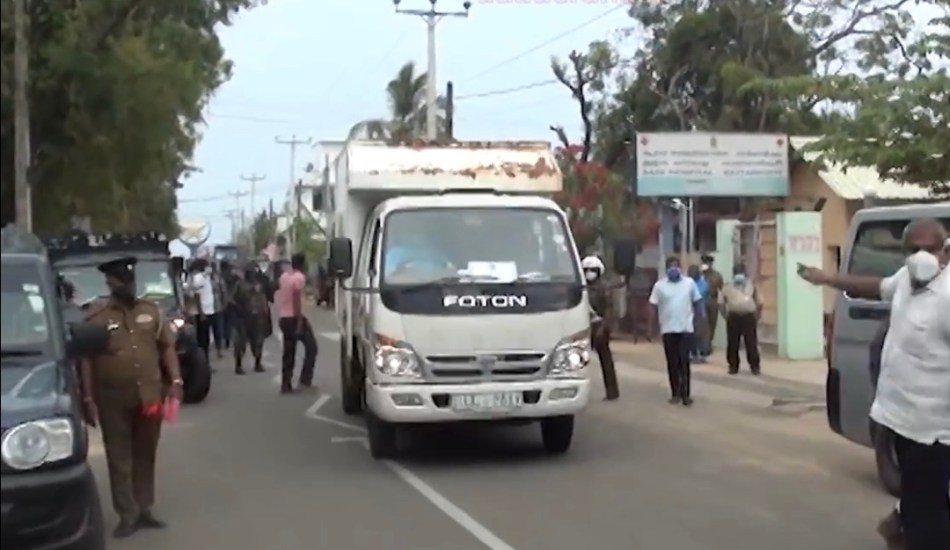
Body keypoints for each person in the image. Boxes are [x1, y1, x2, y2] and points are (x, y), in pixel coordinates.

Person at [798, 219, 949, 550]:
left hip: (934, 429)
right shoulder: (906, 279)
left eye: (929, 249)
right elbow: (875, 286)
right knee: (918, 495)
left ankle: (907, 530)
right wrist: (826, 278)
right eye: (913, 249)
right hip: (899, 418)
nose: (921, 257)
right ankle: (902, 525)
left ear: (945, 252)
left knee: (930, 511)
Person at [77, 257, 183, 539]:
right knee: (119, 456)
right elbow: (86, 360)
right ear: (110, 283)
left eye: (130, 280)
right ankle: (127, 514)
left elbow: (167, 348)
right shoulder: (96, 317)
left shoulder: (152, 311)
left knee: (146, 452)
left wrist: (175, 380)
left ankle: (144, 508)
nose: (128, 286)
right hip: (113, 400)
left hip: (149, 395)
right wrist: (87, 398)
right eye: (121, 281)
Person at [649, 256, 703, 406]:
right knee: (672, 363)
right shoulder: (659, 286)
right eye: (670, 266)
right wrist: (651, 328)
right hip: (668, 329)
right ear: (666, 269)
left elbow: (698, 302)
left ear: (680, 268)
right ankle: (675, 393)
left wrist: (699, 322)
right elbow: (653, 306)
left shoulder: (689, 283)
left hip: (686, 329)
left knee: (684, 361)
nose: (673, 269)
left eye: (676, 266)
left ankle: (686, 394)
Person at [276, 253, 317, 393]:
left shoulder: (284, 277)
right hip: (294, 317)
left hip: (284, 317)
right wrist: (299, 321)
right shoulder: (299, 278)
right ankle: (305, 380)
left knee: (288, 352)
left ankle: (286, 384)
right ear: (302, 264)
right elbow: (296, 299)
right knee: (312, 348)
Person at [582, 255, 620, 401]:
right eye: (586, 270)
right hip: (583, 325)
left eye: (593, 270)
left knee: (605, 359)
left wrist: (603, 328)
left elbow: (609, 309)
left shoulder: (604, 288)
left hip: (599, 325)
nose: (589, 273)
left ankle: (612, 391)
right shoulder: (581, 288)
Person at [719, 264, 762, 375]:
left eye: (740, 272)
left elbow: (759, 302)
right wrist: (725, 315)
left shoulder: (752, 285)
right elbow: (721, 303)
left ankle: (755, 366)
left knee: (751, 343)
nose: (739, 275)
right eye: (737, 272)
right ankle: (733, 366)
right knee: (732, 343)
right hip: (733, 317)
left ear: (744, 273)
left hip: (748, 317)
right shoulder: (727, 286)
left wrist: (757, 316)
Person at [231, 264, 271, 374]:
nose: (252, 275)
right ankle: (238, 366)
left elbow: (263, 299)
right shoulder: (239, 285)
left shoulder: (258, 285)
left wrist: (265, 314)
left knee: (258, 342)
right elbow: (232, 300)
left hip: (257, 318)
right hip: (243, 318)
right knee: (240, 343)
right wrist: (239, 309)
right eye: (250, 272)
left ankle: (258, 364)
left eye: (253, 272)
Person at [187, 258, 215, 362]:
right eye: (207, 266)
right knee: (202, 340)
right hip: (202, 313)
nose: (209, 268)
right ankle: (203, 361)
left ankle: (206, 361)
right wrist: (201, 313)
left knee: (206, 339)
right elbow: (197, 296)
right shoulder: (198, 278)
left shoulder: (205, 277)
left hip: (208, 311)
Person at [700, 254, 724, 352]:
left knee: (712, 323)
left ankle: (708, 344)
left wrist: (721, 303)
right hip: (701, 301)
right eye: (705, 262)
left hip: (713, 300)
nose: (706, 264)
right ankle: (704, 346)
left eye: (708, 263)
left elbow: (721, 288)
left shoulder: (717, 275)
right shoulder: (699, 274)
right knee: (703, 325)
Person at [687, 264, 710, 362]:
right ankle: (691, 353)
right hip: (687, 311)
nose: (692, 274)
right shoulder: (686, 283)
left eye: (694, 272)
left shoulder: (703, 283)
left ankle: (700, 354)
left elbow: (699, 295)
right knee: (689, 334)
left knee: (700, 335)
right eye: (690, 273)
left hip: (699, 311)